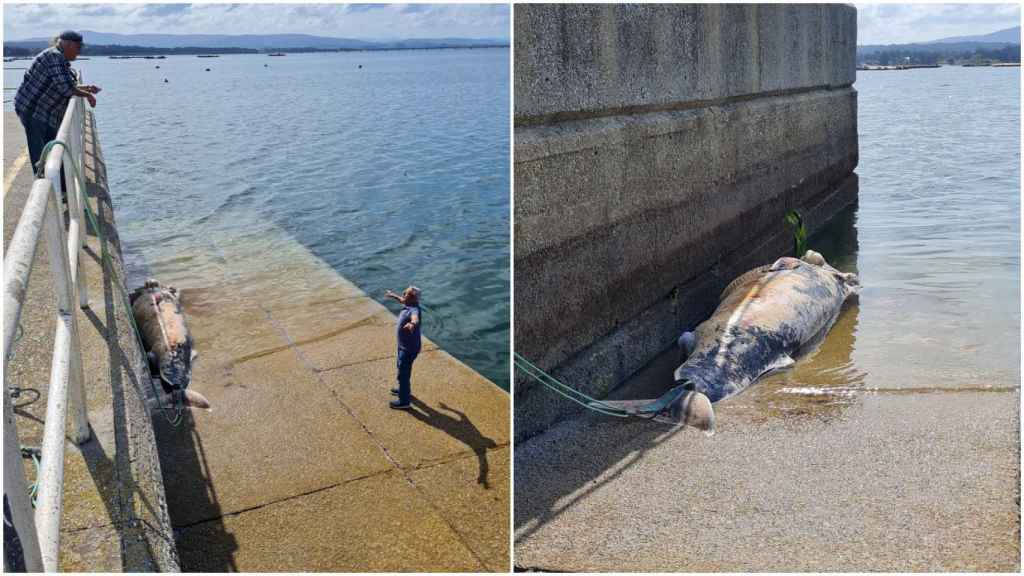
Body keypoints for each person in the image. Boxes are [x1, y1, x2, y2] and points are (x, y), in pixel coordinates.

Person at [14, 30, 101, 176]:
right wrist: (88, 96)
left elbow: (63, 83)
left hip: (45, 112)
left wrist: (86, 88)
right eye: (78, 48)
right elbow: (65, 88)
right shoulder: (54, 57)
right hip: (33, 109)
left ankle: (58, 186)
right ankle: (43, 185)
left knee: (53, 148)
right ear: (68, 44)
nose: (79, 53)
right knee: (40, 152)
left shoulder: (58, 57)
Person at [384, 286, 422, 410]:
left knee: (403, 373)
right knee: (402, 368)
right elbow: (401, 300)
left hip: (408, 349)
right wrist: (392, 295)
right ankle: (403, 389)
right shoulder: (409, 304)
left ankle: (404, 401)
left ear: (411, 299)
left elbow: (415, 318)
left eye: (404, 294)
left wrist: (412, 324)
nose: (402, 296)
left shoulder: (414, 310)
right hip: (404, 346)